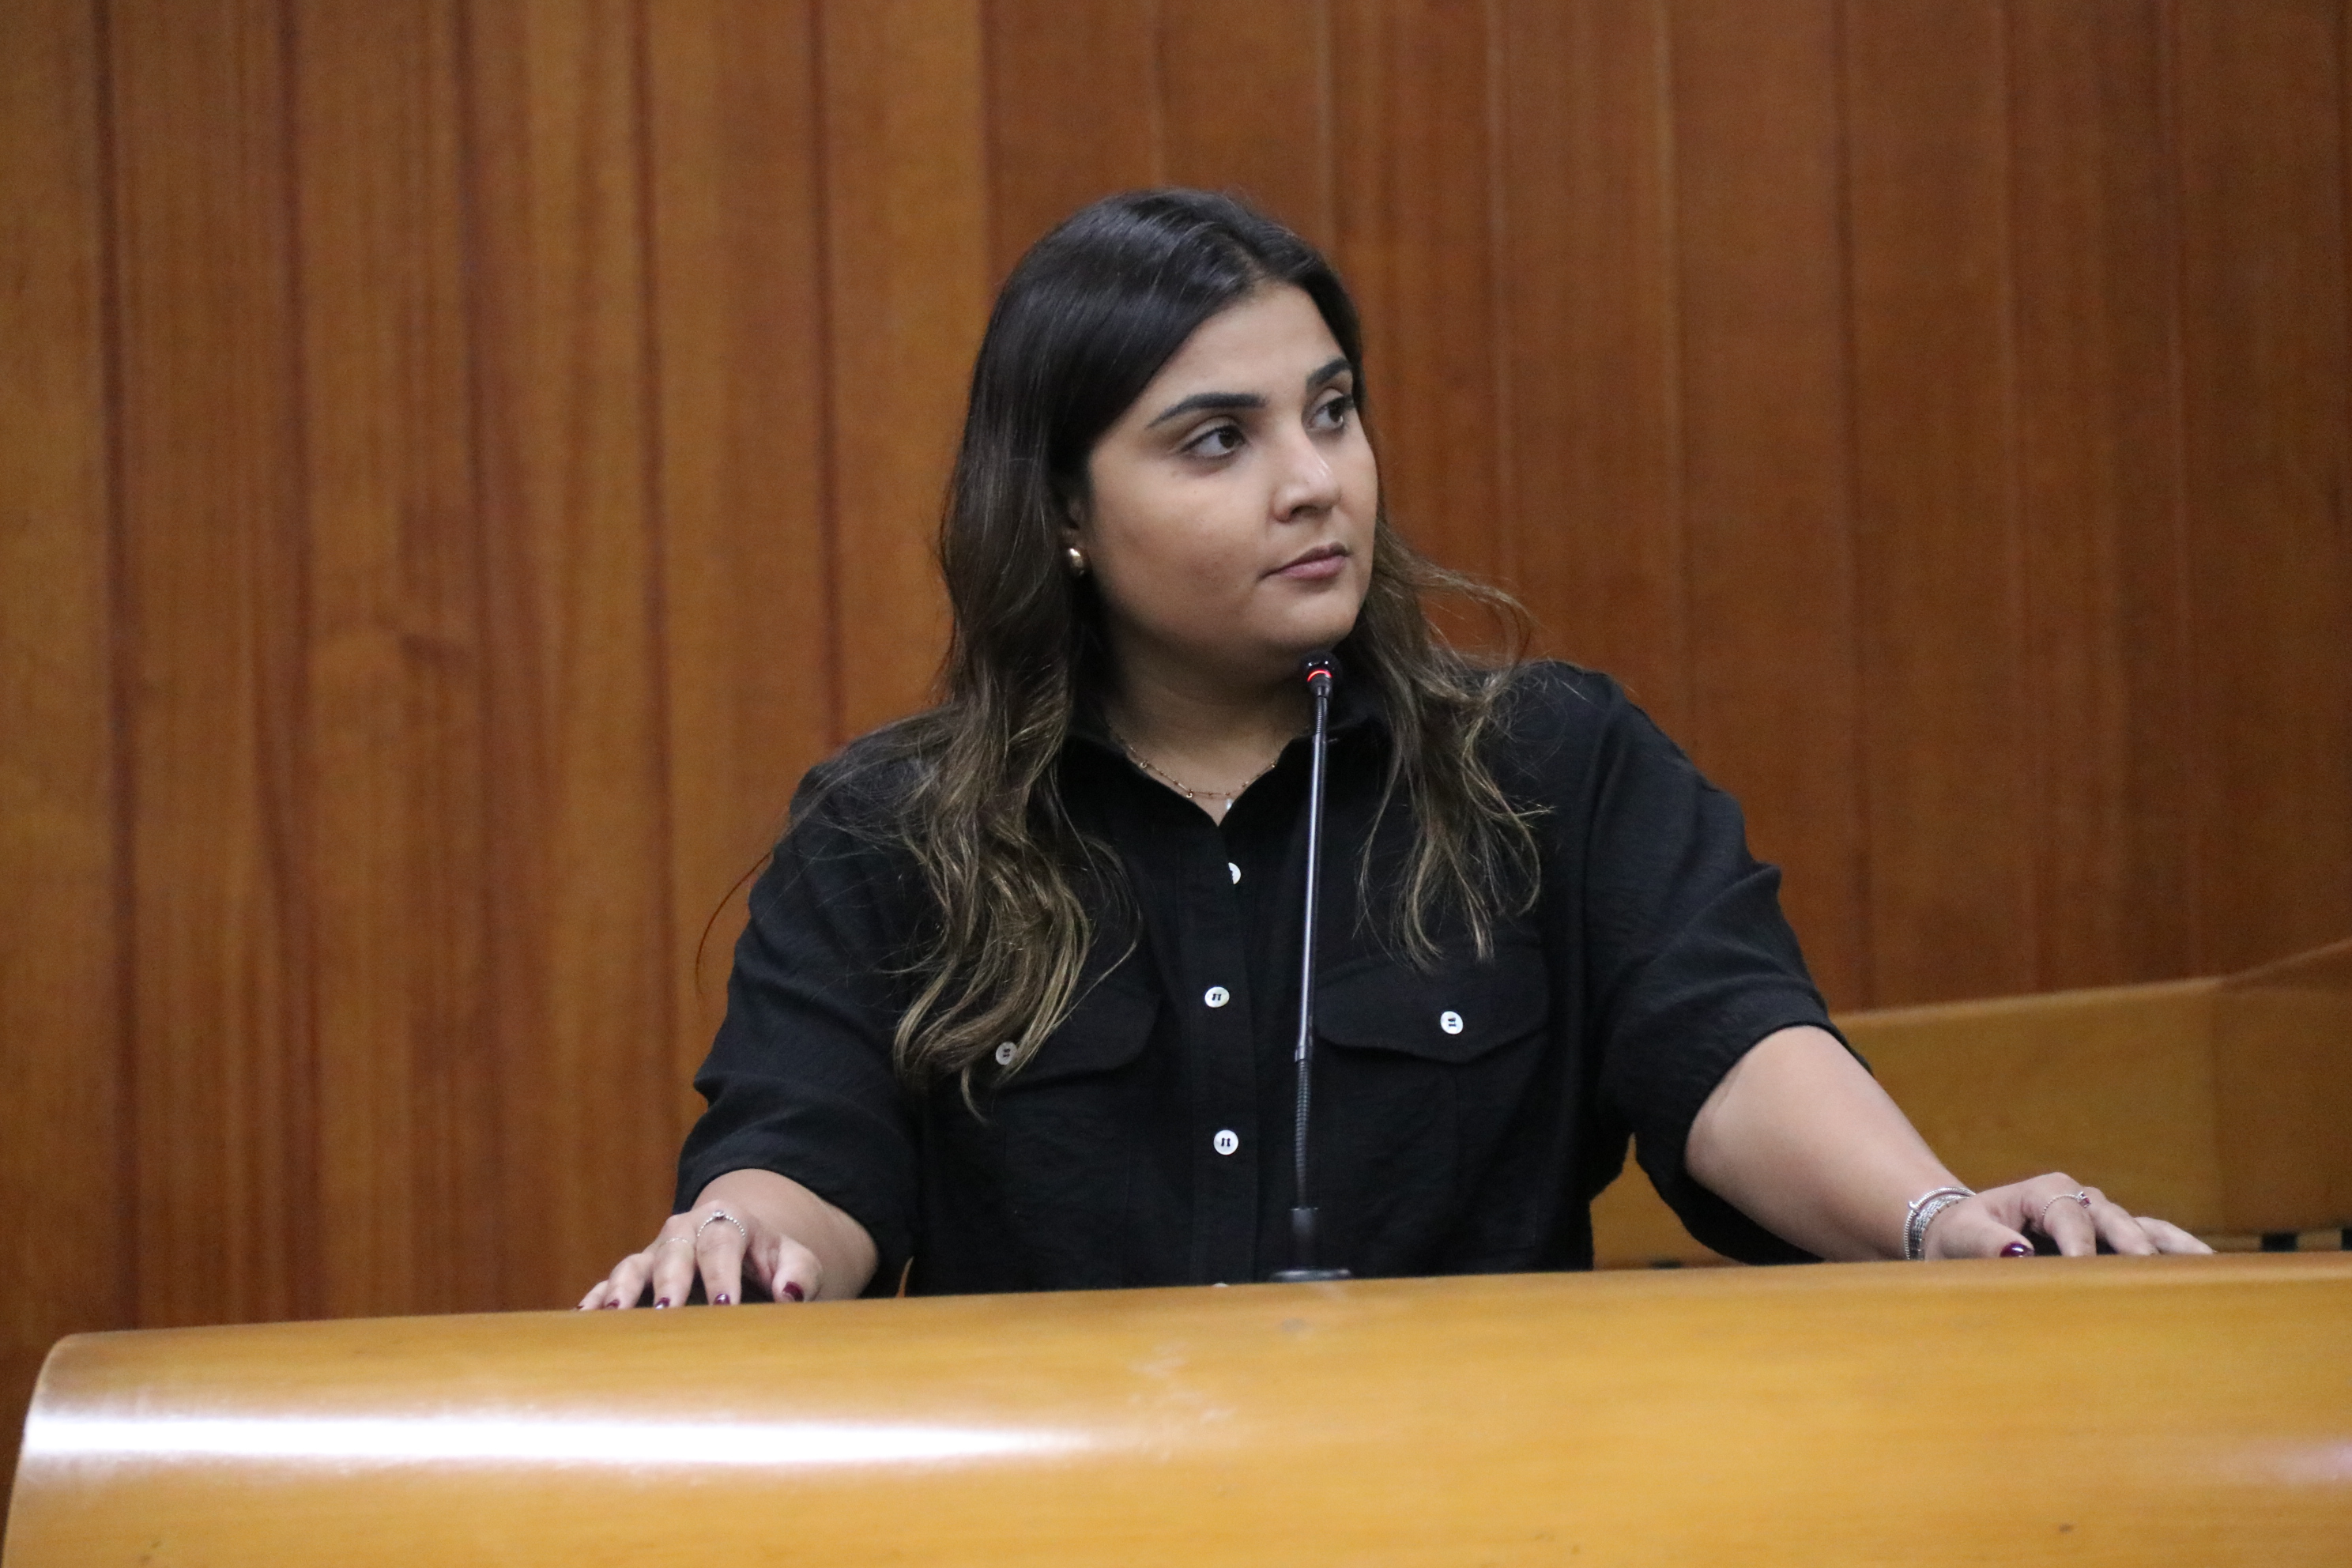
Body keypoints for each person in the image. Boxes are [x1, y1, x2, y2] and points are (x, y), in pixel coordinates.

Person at [579, 189, 2208, 1310]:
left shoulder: (1551, 764)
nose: (1315, 480)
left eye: (1332, 409)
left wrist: (1938, 1217)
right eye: (1218, 440)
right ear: (1065, 512)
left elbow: (1725, 1047)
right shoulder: (894, 828)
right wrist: (735, 1246)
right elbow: (806, 1151)